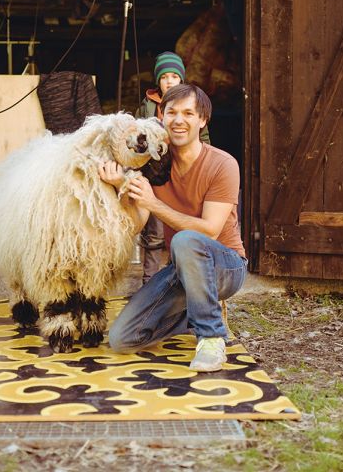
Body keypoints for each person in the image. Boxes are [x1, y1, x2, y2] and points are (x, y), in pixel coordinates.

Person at [99, 83, 247, 372]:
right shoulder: (154, 166)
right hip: (182, 268)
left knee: (185, 241)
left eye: (188, 113)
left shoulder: (222, 164)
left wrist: (155, 205)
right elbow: (136, 226)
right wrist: (123, 186)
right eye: (172, 112)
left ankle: (211, 337)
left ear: (202, 120)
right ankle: (198, 310)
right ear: (161, 116)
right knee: (122, 339)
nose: (179, 120)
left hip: (226, 265)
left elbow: (209, 231)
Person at [134, 51, 210, 284]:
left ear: (182, 80)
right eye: (165, 76)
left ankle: (177, 277)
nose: (169, 81)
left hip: (182, 174)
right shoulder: (146, 107)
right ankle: (150, 280)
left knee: (180, 226)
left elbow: (203, 139)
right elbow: (136, 138)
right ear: (158, 80)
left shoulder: (191, 105)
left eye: (174, 77)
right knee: (154, 229)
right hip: (155, 176)